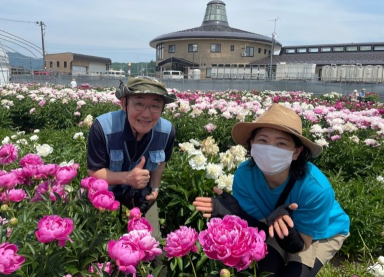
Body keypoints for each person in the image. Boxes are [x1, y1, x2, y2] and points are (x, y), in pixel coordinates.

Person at [193, 104, 350, 277]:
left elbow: (302, 245)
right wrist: (235, 212)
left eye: (281, 143)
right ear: (252, 144)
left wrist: (287, 234)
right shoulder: (244, 175)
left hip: (320, 234)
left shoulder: (316, 189)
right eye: (262, 140)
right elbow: (261, 225)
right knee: (266, 271)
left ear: (296, 152)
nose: (270, 149)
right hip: (274, 225)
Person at [87, 76, 177, 241]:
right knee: (98, 243)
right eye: (139, 103)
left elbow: (161, 162)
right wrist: (127, 178)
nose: (146, 113)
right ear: (124, 103)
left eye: (155, 106)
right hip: (105, 196)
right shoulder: (103, 127)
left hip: (142, 195)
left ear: (163, 108)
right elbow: (94, 171)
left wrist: (155, 189)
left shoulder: (167, 131)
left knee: (153, 244)